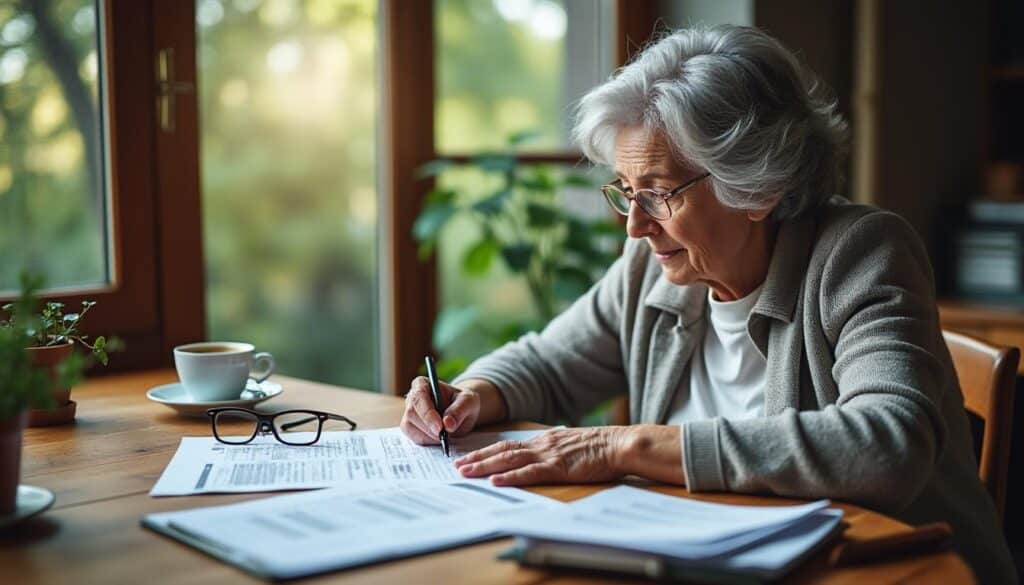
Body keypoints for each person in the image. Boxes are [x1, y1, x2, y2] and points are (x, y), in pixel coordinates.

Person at [399, 24, 1016, 582]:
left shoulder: (860, 253)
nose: (635, 226)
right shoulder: (653, 268)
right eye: (627, 192)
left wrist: (623, 447)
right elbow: (548, 364)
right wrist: (471, 395)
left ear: (759, 187)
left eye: (659, 194)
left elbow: (887, 445)